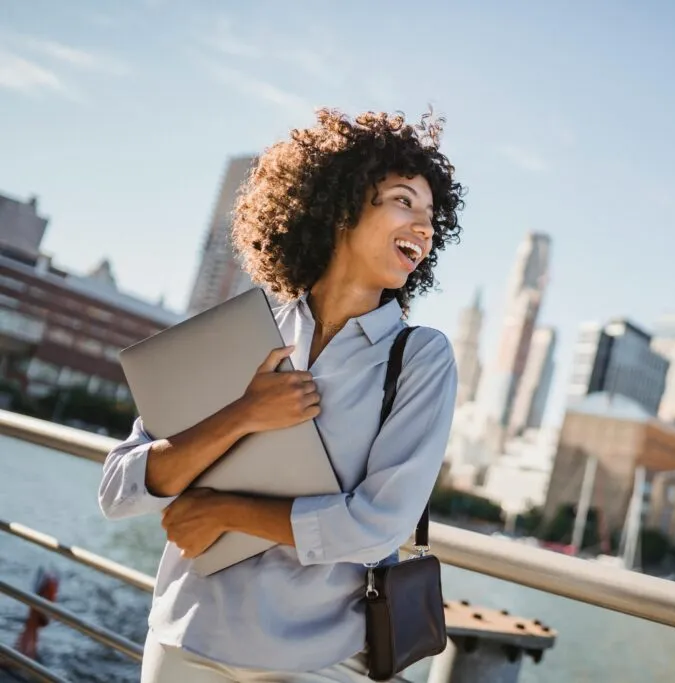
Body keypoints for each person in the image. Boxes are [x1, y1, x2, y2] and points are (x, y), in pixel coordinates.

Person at [98, 108, 465, 682]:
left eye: (431, 215)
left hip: (320, 661)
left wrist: (224, 511)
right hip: (186, 641)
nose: (424, 226)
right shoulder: (243, 330)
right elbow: (119, 489)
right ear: (341, 205)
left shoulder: (420, 357)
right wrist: (242, 415)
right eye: (403, 201)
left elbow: (381, 526)